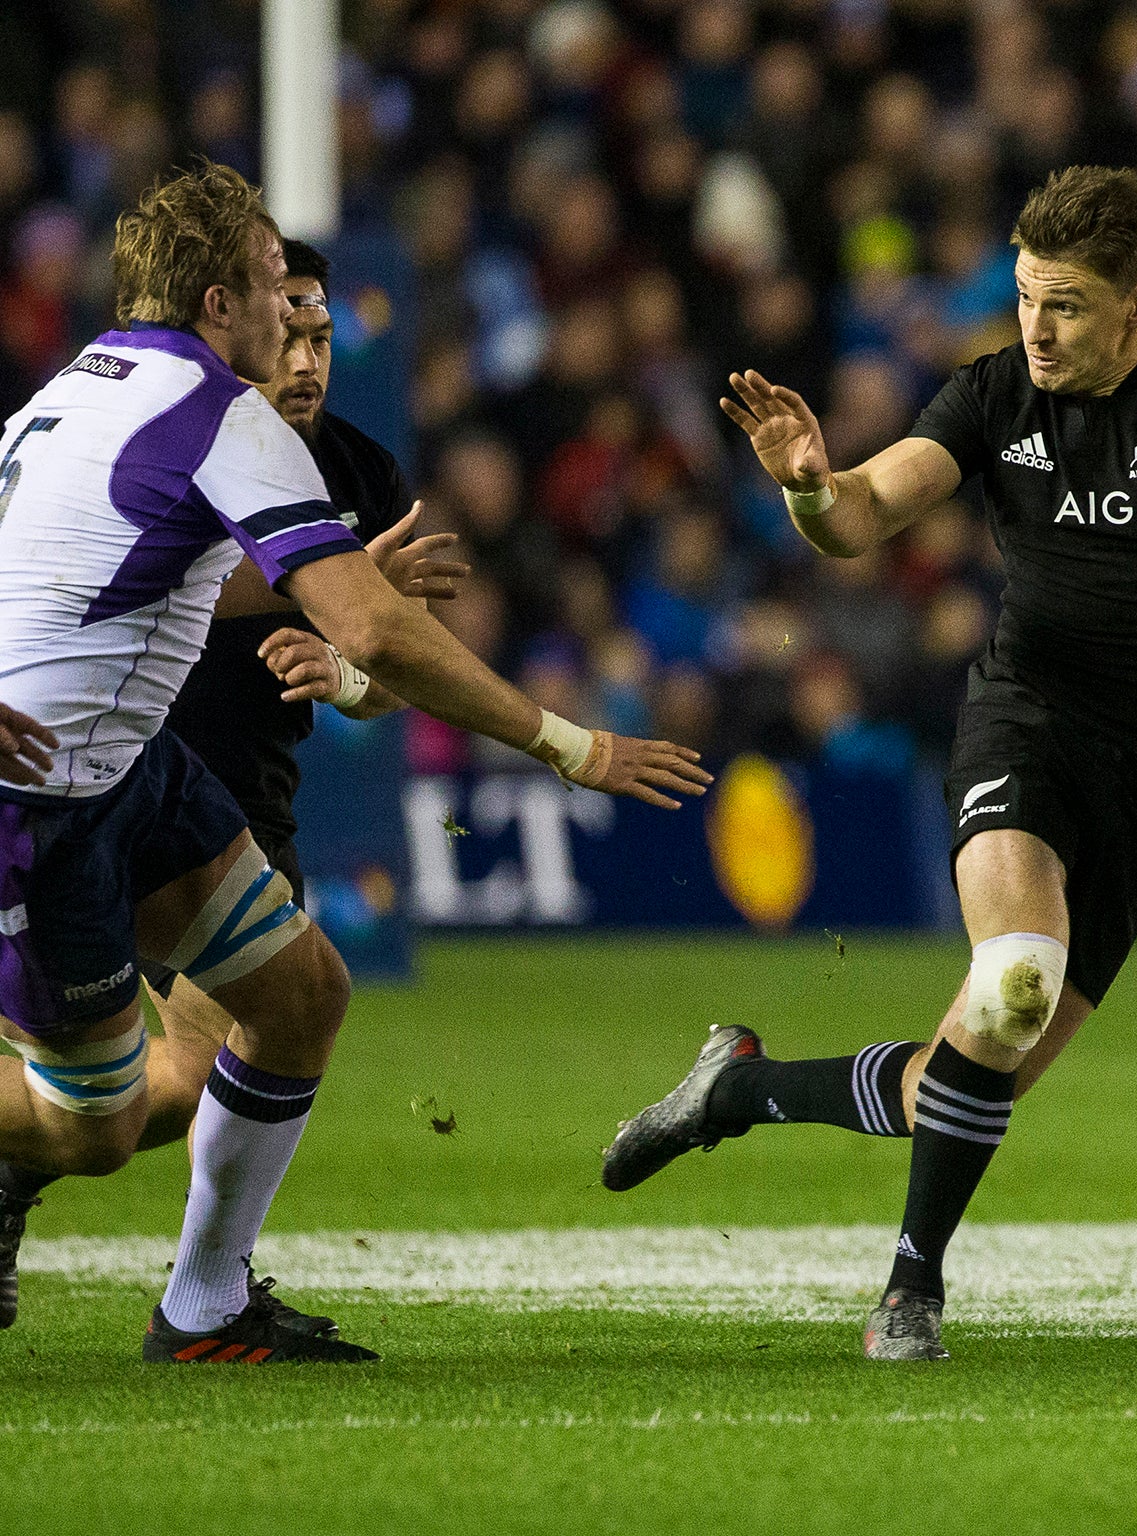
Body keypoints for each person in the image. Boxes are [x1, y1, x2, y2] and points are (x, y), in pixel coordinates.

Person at [603, 166, 1137, 1360]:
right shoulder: (992, 393)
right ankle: (911, 1291)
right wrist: (809, 485)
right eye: (1024, 297)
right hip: (1026, 719)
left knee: (964, 1079)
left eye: (1064, 305)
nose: (1036, 327)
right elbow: (861, 516)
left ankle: (735, 1090)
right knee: (1014, 975)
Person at [0, 161, 710, 1362]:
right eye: (279, 288)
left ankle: (204, 1309)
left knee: (302, 994)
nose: (300, 318)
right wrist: (569, 744)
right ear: (221, 304)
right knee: (99, 1131)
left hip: (127, 769)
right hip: (41, 803)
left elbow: (131, 568)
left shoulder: (76, 387)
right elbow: (375, 631)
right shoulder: (220, 413)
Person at [0, 236, 463, 1332]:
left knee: (195, 1072)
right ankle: (158, 1257)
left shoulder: (357, 475)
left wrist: (350, 668)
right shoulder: (157, 425)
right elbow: (135, 586)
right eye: (285, 328)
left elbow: (390, 671)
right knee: (126, 1103)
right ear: (233, 318)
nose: (304, 358)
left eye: (322, 335)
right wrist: (561, 742)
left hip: (227, 800)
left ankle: (141, 1253)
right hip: (90, 781)